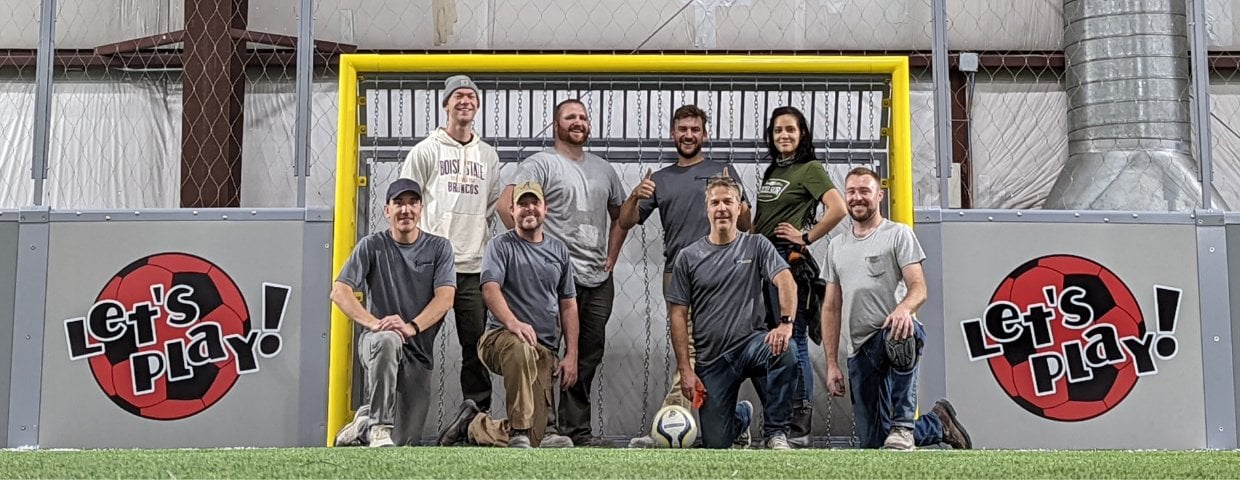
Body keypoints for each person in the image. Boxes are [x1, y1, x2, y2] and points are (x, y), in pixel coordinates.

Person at [617, 104, 750, 448]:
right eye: (683, 129)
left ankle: (722, 422)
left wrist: (737, 199)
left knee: (711, 353)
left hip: (723, 276)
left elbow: (748, 225)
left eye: (695, 129)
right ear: (673, 134)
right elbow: (626, 221)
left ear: (705, 134)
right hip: (679, 276)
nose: (688, 135)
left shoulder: (722, 170)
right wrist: (635, 194)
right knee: (688, 351)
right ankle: (676, 426)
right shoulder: (660, 179)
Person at [498, 99, 628, 446]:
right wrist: (533, 252)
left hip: (596, 278)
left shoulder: (604, 170)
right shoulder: (540, 164)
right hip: (553, 278)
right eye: (570, 117)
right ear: (556, 125)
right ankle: (545, 429)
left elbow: (621, 216)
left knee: (585, 356)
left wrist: (612, 255)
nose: (578, 122)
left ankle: (577, 431)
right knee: (545, 352)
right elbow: (504, 205)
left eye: (583, 117)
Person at [821, 167, 972, 451]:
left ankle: (903, 425)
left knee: (902, 332)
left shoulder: (898, 234)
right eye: (851, 191)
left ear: (879, 195)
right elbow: (831, 308)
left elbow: (919, 287)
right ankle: (938, 424)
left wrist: (904, 309)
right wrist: (831, 364)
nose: (857, 197)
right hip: (859, 349)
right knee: (875, 443)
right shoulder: (836, 247)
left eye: (864, 191)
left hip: (891, 334)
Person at [437, 181, 579, 448]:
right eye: (522, 204)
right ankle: (519, 432)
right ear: (512, 211)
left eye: (534, 203)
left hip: (543, 349)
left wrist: (572, 353)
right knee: (520, 347)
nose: (529, 209)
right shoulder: (500, 246)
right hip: (499, 339)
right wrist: (513, 323)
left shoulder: (559, 251)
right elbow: (490, 289)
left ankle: (474, 425)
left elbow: (568, 304)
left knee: (540, 441)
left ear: (545, 209)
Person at [669, 174, 799, 450]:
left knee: (785, 351)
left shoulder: (757, 245)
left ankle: (776, 433)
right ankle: (740, 419)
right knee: (716, 445)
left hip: (751, 345)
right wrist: (686, 370)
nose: (722, 208)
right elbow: (678, 315)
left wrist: (785, 324)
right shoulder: (687, 257)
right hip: (712, 361)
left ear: (739, 208)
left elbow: (786, 280)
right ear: (707, 209)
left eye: (728, 202)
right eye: (715, 203)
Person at [399, 75, 501, 414]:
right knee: (417, 340)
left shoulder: (487, 155)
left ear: (477, 105)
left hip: (473, 266)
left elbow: (490, 206)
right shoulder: (426, 151)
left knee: (476, 348)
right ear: (446, 104)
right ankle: (407, 416)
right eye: (458, 96)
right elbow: (407, 203)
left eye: (471, 96)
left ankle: (477, 417)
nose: (465, 101)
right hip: (432, 267)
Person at [331, 178, 456, 447]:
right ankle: (378, 426)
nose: (405, 210)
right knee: (388, 339)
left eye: (412, 203)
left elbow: (445, 298)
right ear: (387, 210)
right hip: (378, 343)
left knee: (405, 442)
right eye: (398, 203)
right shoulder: (371, 245)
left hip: (417, 352)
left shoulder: (439, 248)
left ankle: (364, 422)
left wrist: (411, 327)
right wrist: (374, 324)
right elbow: (339, 291)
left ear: (421, 209)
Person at [751, 105, 848, 447]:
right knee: (774, 341)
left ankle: (799, 422)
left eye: (790, 129)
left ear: (802, 133)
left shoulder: (810, 168)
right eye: (778, 130)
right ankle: (779, 419)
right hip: (763, 258)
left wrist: (806, 237)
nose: (784, 135)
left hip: (788, 260)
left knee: (795, 341)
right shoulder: (774, 170)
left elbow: (838, 208)